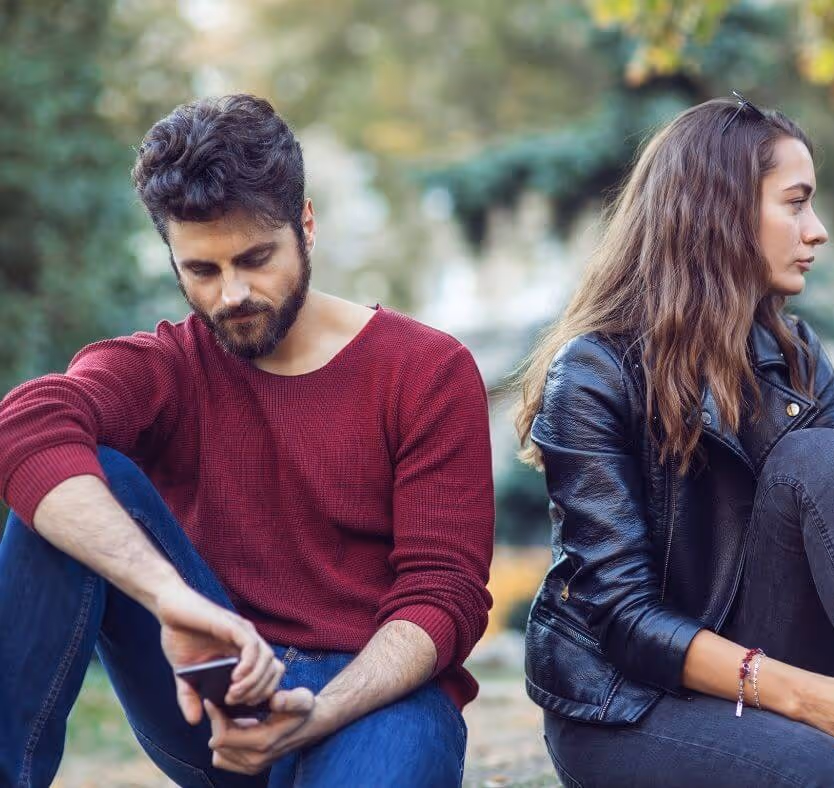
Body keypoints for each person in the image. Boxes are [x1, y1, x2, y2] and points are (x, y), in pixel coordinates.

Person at [0, 94, 494, 787]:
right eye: (202, 270)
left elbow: (443, 594)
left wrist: (321, 712)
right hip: (216, 696)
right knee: (79, 480)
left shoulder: (426, 370)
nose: (232, 294)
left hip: (376, 698)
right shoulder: (166, 366)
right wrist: (171, 598)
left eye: (255, 258)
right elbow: (24, 423)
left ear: (307, 225)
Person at [515, 94, 834, 787]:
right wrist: (818, 699)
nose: (819, 229)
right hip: (629, 705)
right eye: (796, 203)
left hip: (766, 660)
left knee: (822, 458)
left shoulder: (795, 355)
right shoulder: (593, 374)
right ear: (721, 210)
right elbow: (623, 618)